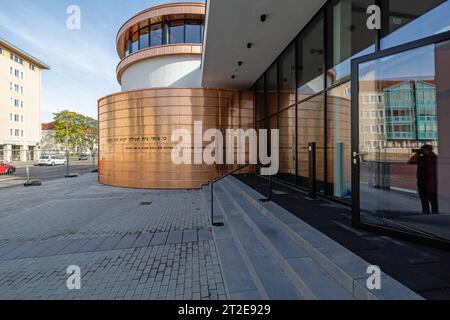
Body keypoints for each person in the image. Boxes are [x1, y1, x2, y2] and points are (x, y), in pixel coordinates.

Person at [408, 145, 438, 214]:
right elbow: (410, 162)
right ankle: (430, 216)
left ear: (429, 150)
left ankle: (432, 216)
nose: (422, 152)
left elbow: (410, 162)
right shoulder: (422, 158)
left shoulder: (435, 158)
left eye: (423, 150)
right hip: (426, 183)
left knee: (432, 202)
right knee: (427, 202)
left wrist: (417, 154)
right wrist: (417, 153)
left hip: (430, 184)